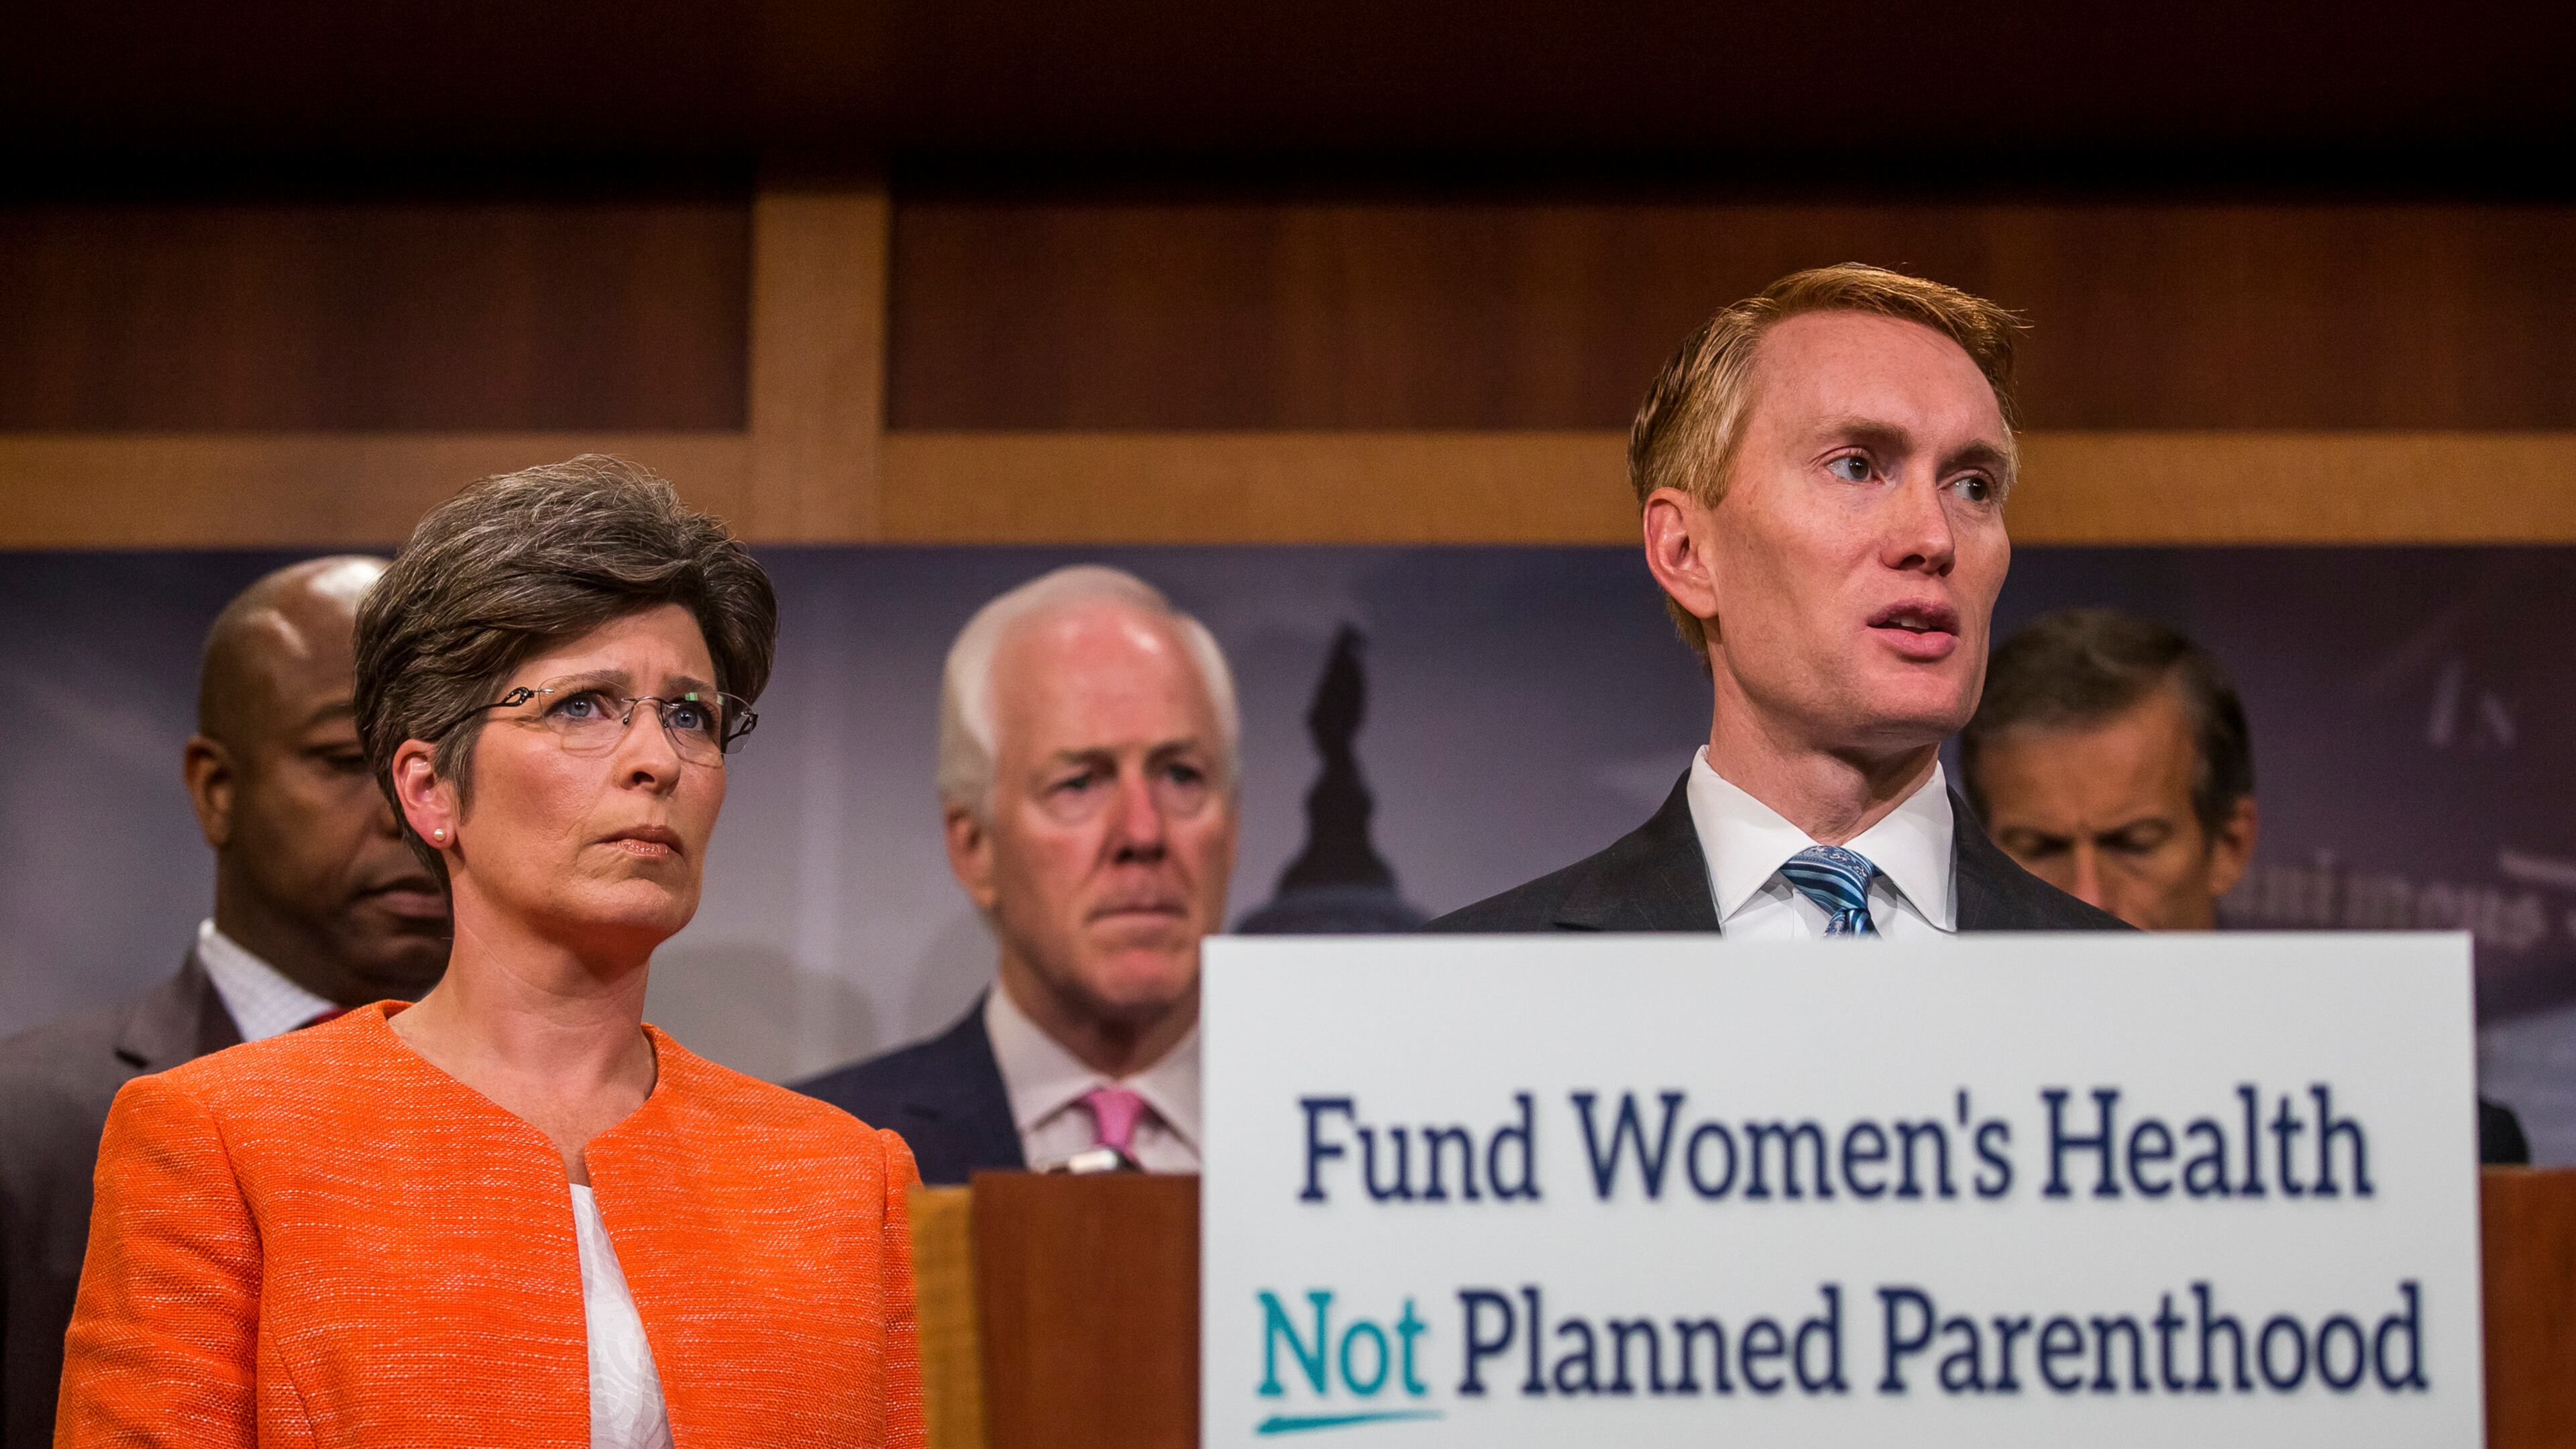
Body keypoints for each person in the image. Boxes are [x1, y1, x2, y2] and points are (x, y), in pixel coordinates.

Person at [56, 458, 922, 1448]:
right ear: (429, 790)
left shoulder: (844, 1180)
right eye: (581, 705)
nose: (657, 761)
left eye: (691, 715)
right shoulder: (221, 1141)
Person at [1434, 264, 2123, 936]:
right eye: (1857, 466)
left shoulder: (2136, 1002)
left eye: (1972, 485)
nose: (1934, 538)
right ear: (1686, 552)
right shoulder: (1469, 990)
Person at [0, 556, 449, 1449]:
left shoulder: (564, 1135)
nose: (414, 816)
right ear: (217, 789)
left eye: (444, 767)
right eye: (345, 761)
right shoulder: (25, 1130)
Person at [1962, 604, 2530, 1162]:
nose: (2086, 897)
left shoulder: (2431, 1149)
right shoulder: (1922, 1136)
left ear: (2229, 846)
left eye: (2134, 843)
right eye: (2039, 849)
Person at [798, 566, 1238, 1183]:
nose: (1143, 833)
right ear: (974, 846)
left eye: (1182, 775)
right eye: (1079, 783)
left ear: (1233, 825)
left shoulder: (1354, 1145)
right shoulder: (816, 1157)